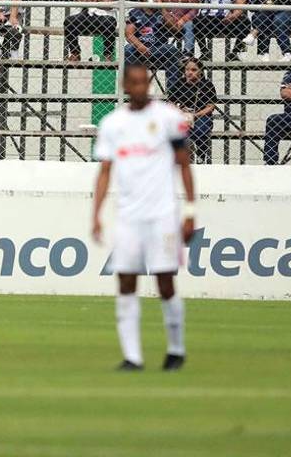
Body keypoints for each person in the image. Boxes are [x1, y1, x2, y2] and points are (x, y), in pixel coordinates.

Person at [91, 62, 195, 371]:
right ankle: (132, 356)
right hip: (128, 217)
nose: (139, 87)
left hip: (162, 214)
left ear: (149, 83)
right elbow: (104, 171)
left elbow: (184, 163)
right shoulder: (112, 124)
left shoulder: (167, 118)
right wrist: (95, 214)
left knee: (165, 281)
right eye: (133, 82)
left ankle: (175, 350)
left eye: (143, 82)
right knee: (125, 280)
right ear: (124, 85)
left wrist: (190, 211)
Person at [124, 0, 182, 85]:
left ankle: (173, 93)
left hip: (158, 49)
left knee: (172, 50)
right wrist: (140, 46)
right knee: (128, 49)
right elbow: (129, 34)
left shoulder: (163, 12)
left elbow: (174, 28)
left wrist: (162, 7)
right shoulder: (135, 12)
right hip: (139, 49)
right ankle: (132, 87)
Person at [169, 57, 217, 164]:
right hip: (182, 115)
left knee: (201, 129)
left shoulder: (207, 85)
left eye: (194, 70)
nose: (189, 72)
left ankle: (200, 156)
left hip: (200, 116)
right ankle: (185, 157)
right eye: (187, 69)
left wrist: (195, 115)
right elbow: (171, 103)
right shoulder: (179, 84)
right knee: (180, 130)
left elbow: (210, 106)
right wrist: (180, 113)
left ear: (200, 71)